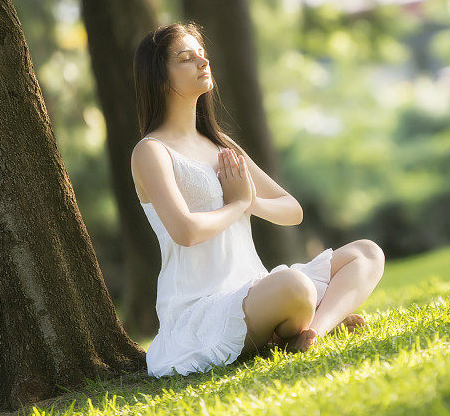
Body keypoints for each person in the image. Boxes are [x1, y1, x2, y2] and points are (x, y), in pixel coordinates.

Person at [129, 22, 385, 378]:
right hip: (201, 308)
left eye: (203, 55)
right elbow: (185, 231)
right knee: (294, 288)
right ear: (158, 76)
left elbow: (292, 210)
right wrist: (234, 204)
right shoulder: (151, 152)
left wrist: (250, 202)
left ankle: (311, 332)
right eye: (187, 58)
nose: (203, 62)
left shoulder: (223, 148)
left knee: (367, 252)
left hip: (255, 290)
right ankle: (300, 323)